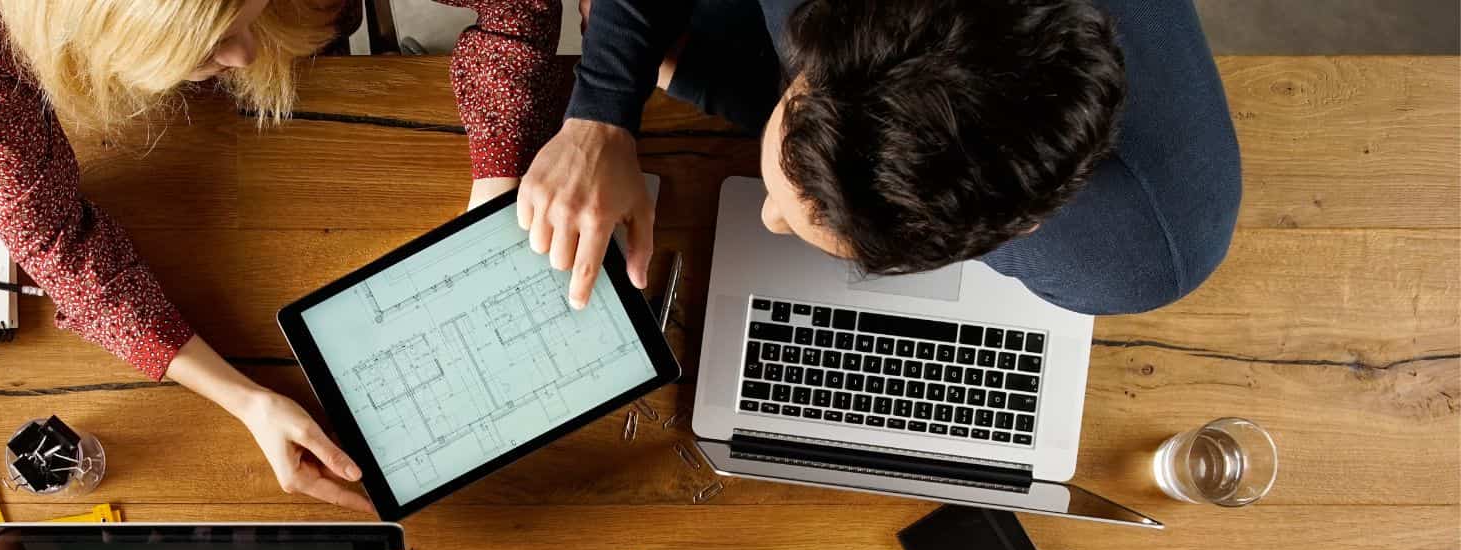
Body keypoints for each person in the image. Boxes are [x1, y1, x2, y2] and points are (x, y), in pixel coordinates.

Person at [0, 0, 565, 512]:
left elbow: (520, 6)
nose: (245, 56)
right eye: (214, 39)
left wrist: (490, 205)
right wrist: (244, 400)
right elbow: (45, 234)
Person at [519, 0, 1242, 317]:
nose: (768, 219)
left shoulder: (1140, 250)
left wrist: (698, 72)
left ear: (1021, 231)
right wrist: (601, 114)